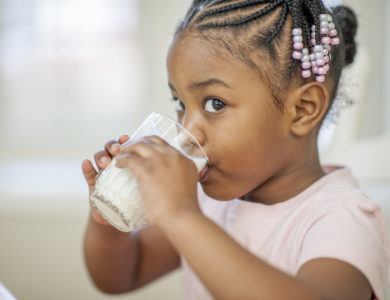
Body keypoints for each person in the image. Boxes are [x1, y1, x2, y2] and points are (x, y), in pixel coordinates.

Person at [81, 1, 389, 299]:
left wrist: (182, 216)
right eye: (180, 104)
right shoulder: (204, 202)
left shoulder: (341, 220)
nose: (188, 132)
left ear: (302, 109)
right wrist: (108, 223)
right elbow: (122, 275)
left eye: (215, 104)